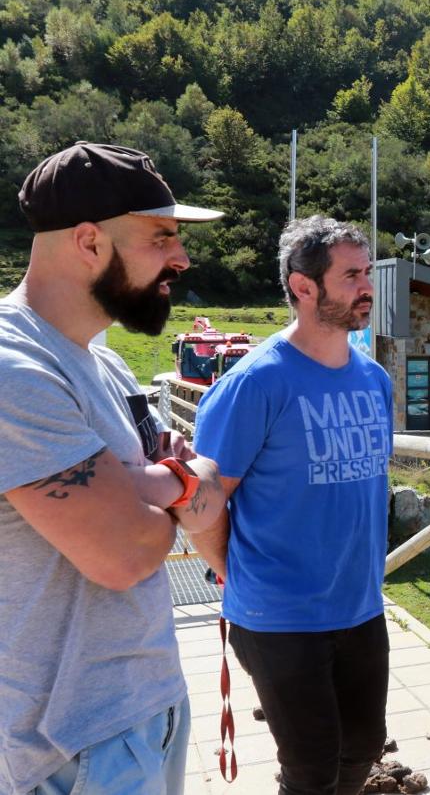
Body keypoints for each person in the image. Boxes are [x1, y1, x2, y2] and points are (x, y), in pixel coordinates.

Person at [0, 142, 228, 794]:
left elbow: (202, 497)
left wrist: (157, 488)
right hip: (68, 750)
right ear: (89, 242)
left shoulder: (108, 365)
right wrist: (178, 492)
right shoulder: (14, 369)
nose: (181, 258)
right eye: (161, 237)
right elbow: (124, 555)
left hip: (152, 705)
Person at [190, 216, 393, 795]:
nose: (366, 287)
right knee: (310, 767)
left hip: (359, 604)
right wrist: (235, 573)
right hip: (278, 615)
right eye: (351, 274)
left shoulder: (374, 380)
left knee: (362, 749)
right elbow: (202, 500)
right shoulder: (255, 383)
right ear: (304, 287)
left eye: (368, 272)